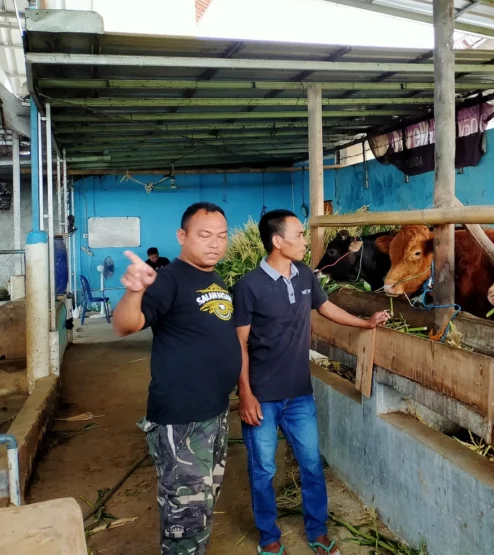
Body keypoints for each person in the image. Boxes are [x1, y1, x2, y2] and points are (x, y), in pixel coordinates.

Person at [233, 209, 390, 555]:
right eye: (300, 235)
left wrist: (365, 323)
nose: (305, 241)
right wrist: (245, 394)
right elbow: (239, 344)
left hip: (299, 395)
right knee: (263, 471)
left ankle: (317, 531)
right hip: (262, 396)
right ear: (278, 241)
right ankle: (269, 538)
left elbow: (326, 308)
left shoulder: (304, 275)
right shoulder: (248, 287)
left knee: (311, 465)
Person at [112, 202, 239, 555]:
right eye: (204, 235)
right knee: (185, 517)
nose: (215, 243)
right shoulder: (169, 280)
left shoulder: (214, 277)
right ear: (182, 236)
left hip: (214, 414)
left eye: (221, 236)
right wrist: (135, 290)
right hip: (183, 421)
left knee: (203, 506)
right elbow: (125, 325)